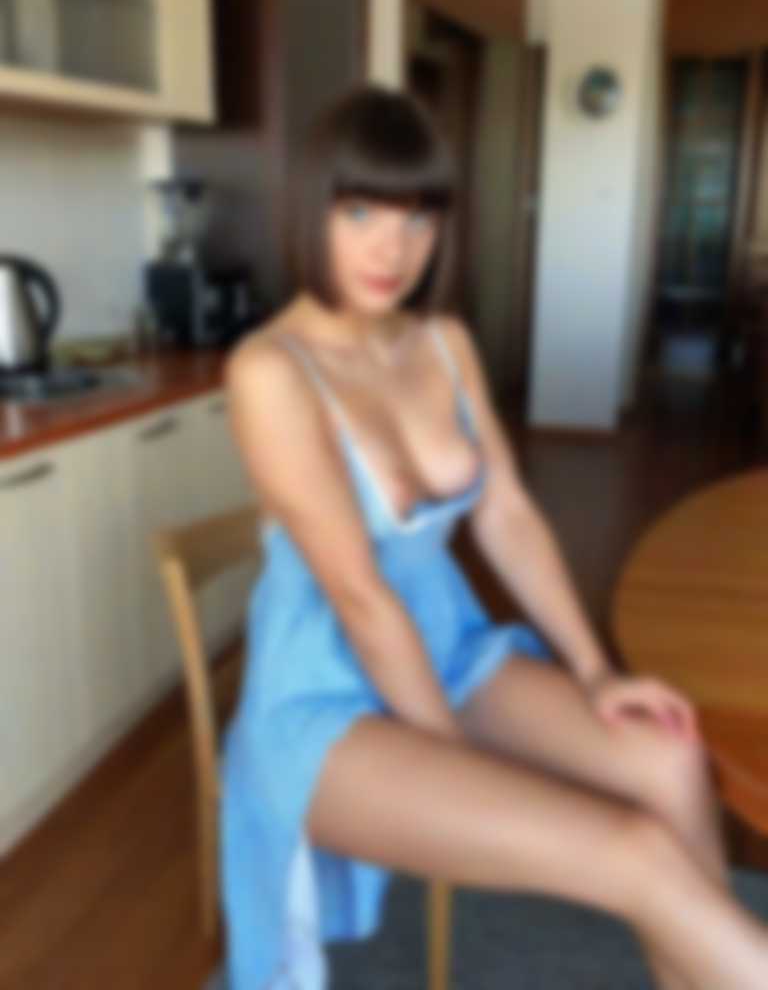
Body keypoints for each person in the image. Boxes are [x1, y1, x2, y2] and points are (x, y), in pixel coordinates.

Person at [218, 83, 768, 989]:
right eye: (360, 213)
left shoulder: (443, 341)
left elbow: (506, 511)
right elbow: (358, 597)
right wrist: (459, 764)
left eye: (418, 218)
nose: (392, 249)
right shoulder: (270, 371)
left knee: (672, 761)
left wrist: (595, 671)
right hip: (324, 695)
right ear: (309, 209)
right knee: (633, 851)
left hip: (451, 649)